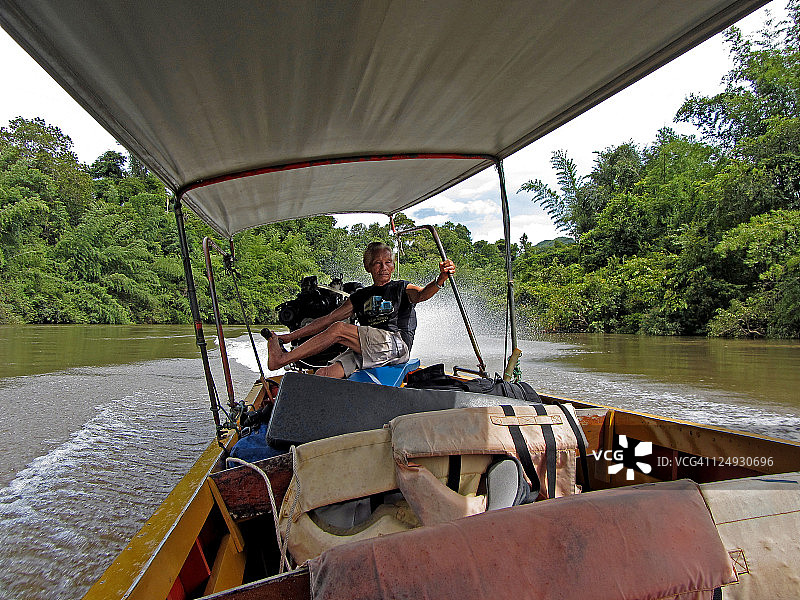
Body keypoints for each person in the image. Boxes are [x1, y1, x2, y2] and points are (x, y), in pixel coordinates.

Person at [265, 241, 455, 378]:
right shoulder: (360, 296)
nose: (383, 267)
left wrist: (440, 279)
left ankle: (282, 360)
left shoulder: (400, 288)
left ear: (393, 265)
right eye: (377, 263)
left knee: (339, 330)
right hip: (368, 347)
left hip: (396, 345)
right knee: (324, 374)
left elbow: (422, 294)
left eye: (388, 262)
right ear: (368, 267)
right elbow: (326, 320)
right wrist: (289, 337)